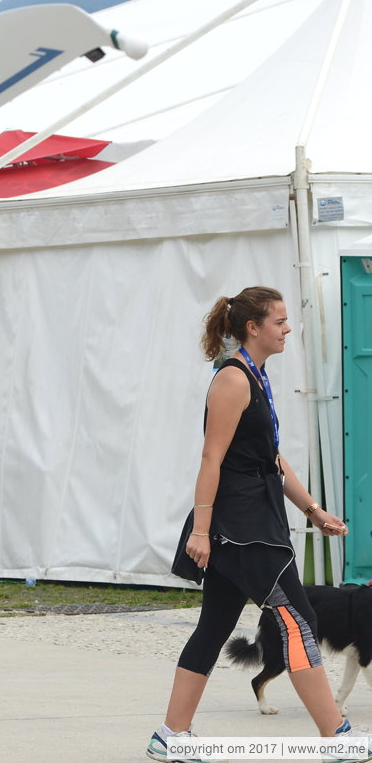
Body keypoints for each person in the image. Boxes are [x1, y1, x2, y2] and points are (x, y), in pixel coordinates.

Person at [148, 287, 365, 763]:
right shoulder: (233, 379)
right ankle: (338, 737)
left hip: (253, 516)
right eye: (280, 321)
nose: (288, 329)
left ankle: (171, 735)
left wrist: (312, 510)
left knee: (214, 626)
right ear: (253, 327)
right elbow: (212, 458)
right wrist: (201, 532)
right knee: (299, 621)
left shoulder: (256, 375)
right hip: (240, 525)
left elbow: (269, 457)